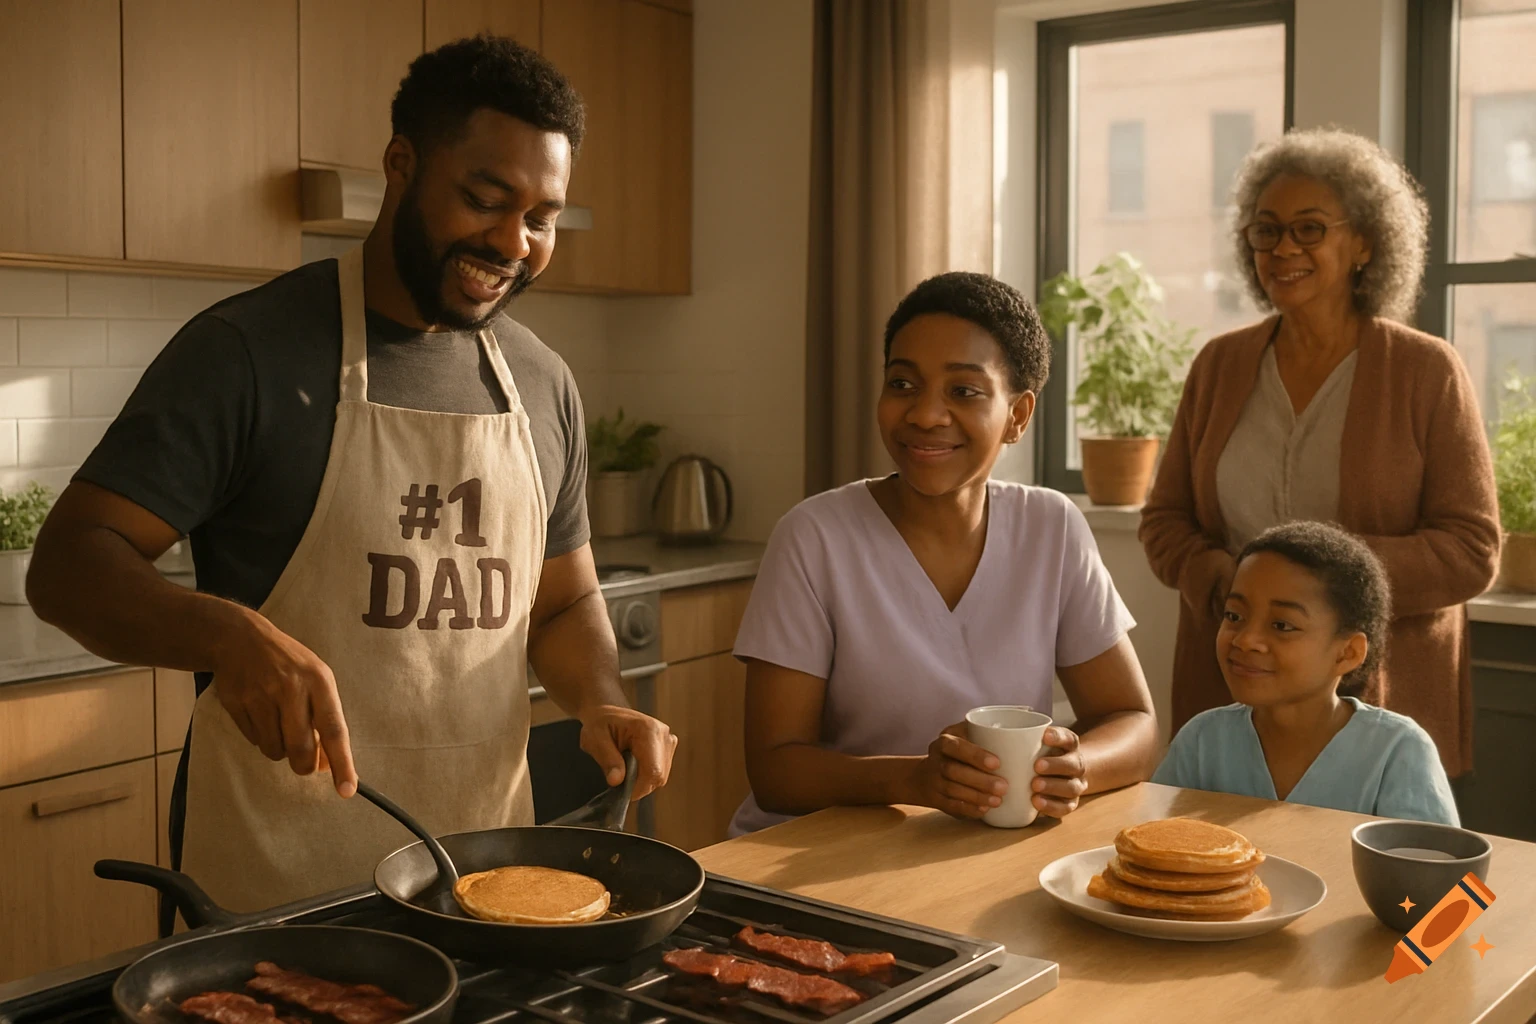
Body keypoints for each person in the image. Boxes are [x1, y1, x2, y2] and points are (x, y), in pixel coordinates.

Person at [25, 35, 676, 914]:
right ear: (401, 165)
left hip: (484, 893)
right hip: (278, 902)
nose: (514, 242)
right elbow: (68, 564)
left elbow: (561, 602)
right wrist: (224, 635)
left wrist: (601, 700)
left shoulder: (542, 382)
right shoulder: (247, 353)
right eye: (485, 200)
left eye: (543, 217)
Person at [729, 272, 1159, 836]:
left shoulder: (1051, 528)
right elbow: (775, 770)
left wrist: (1076, 767)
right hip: (812, 859)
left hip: (970, 856)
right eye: (903, 383)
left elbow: (1133, 720)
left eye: (963, 391)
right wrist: (912, 781)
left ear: (1018, 416)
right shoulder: (814, 538)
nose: (925, 414)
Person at [1139, 127, 1501, 779]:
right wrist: (1218, 577)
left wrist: (1325, 587)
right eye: (1266, 230)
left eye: (1309, 229)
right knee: (1213, 843)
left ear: (1364, 242)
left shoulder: (1425, 370)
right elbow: (1165, 522)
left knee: (1384, 852)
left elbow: (1471, 550)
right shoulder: (1219, 365)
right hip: (1232, 700)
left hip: (1379, 704)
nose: (1283, 248)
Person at [1152, 522, 1459, 826]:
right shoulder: (1202, 741)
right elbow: (1151, 840)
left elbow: (1443, 861)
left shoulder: (1398, 751)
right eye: (1234, 616)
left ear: (1347, 653)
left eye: (1282, 625)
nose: (1245, 640)